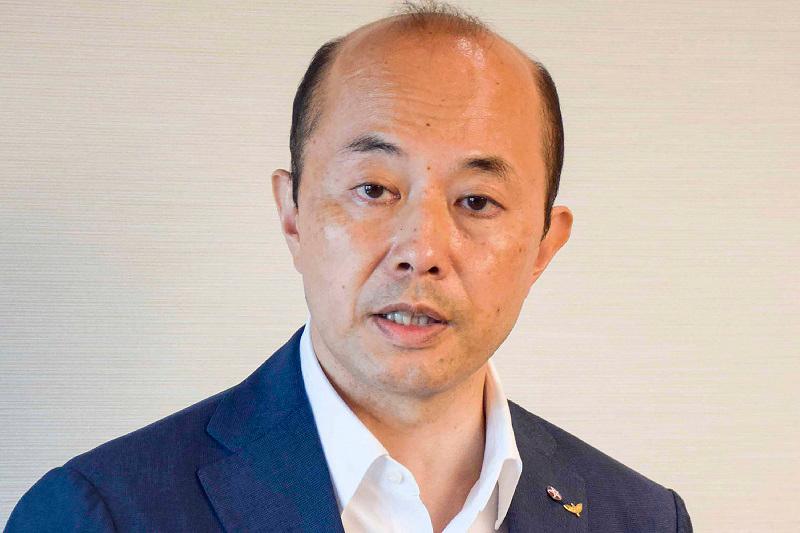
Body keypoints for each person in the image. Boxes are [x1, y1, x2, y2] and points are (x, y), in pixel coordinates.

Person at [6, 2, 692, 532]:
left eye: (477, 200)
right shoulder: (102, 512)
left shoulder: (639, 517)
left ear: (544, 244)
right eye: (373, 189)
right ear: (293, 214)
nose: (421, 249)